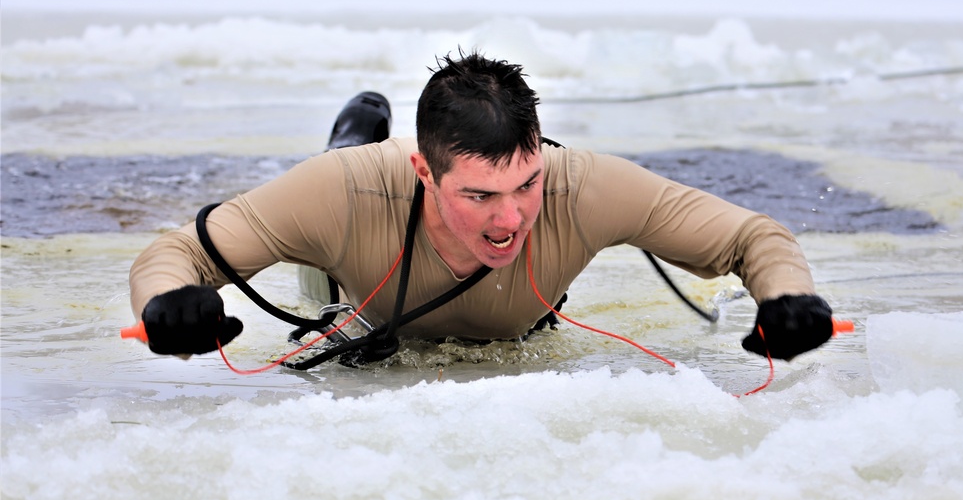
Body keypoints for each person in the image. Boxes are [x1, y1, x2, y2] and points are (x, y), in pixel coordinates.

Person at [130, 51, 834, 363]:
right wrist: (167, 305)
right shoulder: (347, 192)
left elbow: (752, 236)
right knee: (321, 270)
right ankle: (343, 137)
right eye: (478, 194)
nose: (510, 219)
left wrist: (789, 297)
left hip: (510, 324)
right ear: (423, 171)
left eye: (525, 184)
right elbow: (175, 254)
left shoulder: (578, 185)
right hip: (352, 285)